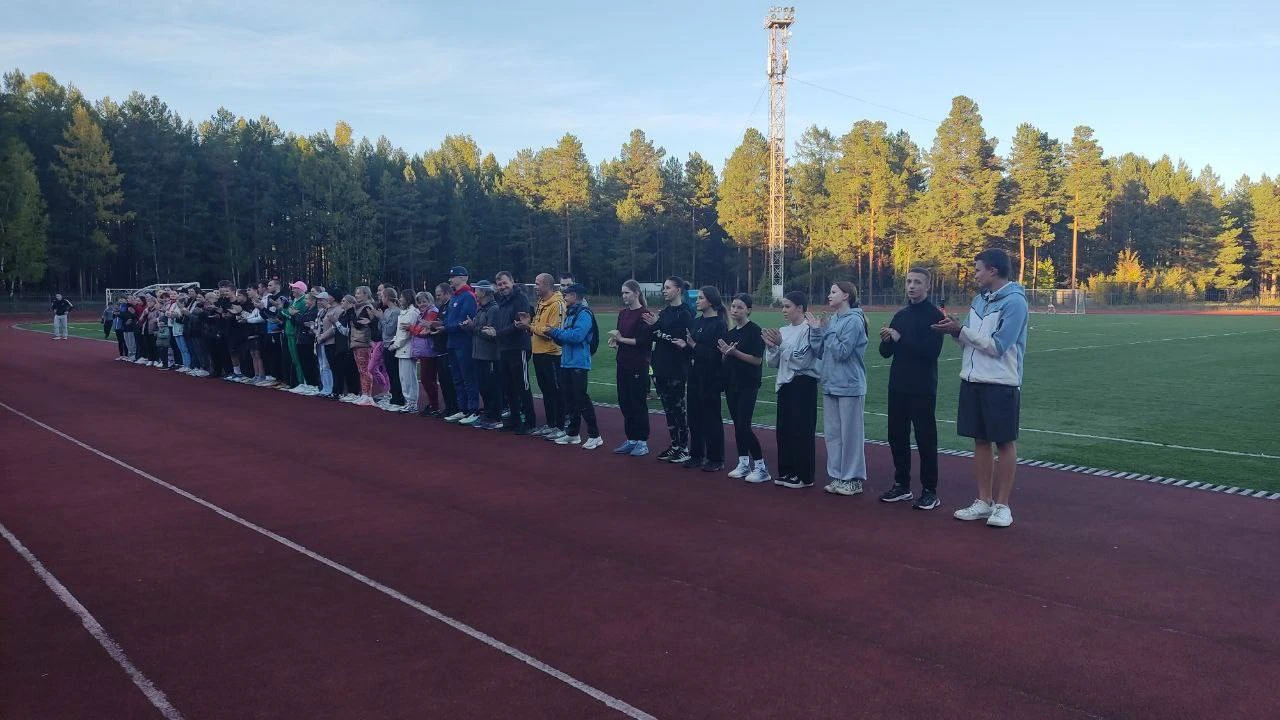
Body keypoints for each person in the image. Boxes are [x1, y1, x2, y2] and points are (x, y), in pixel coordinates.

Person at [932, 248, 1028, 528]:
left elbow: (999, 346)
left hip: (1001, 382)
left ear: (993, 271)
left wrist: (960, 331)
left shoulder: (1015, 302)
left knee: (1004, 441)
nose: (974, 275)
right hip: (973, 380)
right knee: (980, 440)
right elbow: (969, 341)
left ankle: (1003, 505)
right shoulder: (979, 300)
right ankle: (984, 501)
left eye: (977, 270)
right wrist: (954, 331)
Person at [878, 267, 945, 510]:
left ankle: (930, 490)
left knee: (925, 439)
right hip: (898, 385)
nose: (912, 286)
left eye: (917, 282)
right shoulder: (901, 315)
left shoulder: (935, 316)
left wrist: (900, 338)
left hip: (922, 387)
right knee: (897, 436)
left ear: (927, 286)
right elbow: (885, 353)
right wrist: (887, 340)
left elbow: (930, 352)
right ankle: (902, 484)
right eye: (908, 282)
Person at [809, 282, 869, 496]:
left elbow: (842, 351)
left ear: (846, 296)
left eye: (833, 292)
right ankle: (837, 475)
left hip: (849, 384)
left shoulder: (854, 320)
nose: (829, 295)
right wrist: (816, 331)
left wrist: (827, 331)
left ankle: (853, 479)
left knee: (851, 435)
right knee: (833, 435)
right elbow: (820, 352)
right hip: (831, 383)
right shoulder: (833, 319)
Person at [764, 291, 820, 488]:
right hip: (785, 385)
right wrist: (771, 347)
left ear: (800, 308)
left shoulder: (808, 330)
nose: (784, 310)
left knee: (801, 431)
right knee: (784, 430)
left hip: (803, 384)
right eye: (783, 306)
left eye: (787, 306)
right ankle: (787, 471)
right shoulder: (783, 330)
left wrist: (781, 344)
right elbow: (773, 363)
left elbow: (802, 360)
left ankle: (804, 475)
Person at [545, 283, 604, 449]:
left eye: (567, 294)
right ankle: (573, 433)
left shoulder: (584, 313)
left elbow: (577, 336)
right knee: (569, 399)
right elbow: (565, 339)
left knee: (581, 398)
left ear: (575, 296)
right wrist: (553, 334)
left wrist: (556, 332)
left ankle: (595, 435)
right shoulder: (570, 313)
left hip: (579, 363)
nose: (564, 297)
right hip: (566, 362)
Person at [644, 276, 694, 463]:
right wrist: (655, 328)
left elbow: (683, 340)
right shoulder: (664, 313)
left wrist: (659, 331)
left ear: (678, 290)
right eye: (663, 288)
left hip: (677, 367)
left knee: (679, 408)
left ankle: (684, 448)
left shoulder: (686, 313)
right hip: (661, 366)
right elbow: (655, 335)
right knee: (668, 409)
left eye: (668, 287)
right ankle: (674, 445)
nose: (664, 291)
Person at [719, 293, 769, 482]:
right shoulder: (730, 333)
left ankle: (761, 467)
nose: (735, 310)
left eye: (739, 307)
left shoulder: (755, 331)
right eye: (733, 306)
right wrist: (725, 354)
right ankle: (743, 463)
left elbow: (757, 360)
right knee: (737, 426)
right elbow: (726, 359)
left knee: (743, 425)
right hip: (732, 384)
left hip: (748, 384)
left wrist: (735, 353)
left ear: (748, 310)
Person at [679, 286, 728, 472]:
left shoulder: (719, 324)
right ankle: (696, 454)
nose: (697, 301)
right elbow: (692, 348)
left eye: (700, 298)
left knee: (711, 418)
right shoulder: (697, 321)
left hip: (711, 377)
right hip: (694, 375)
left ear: (711, 301)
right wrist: (685, 345)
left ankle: (716, 458)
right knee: (694, 417)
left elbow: (716, 355)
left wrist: (693, 345)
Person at [607, 280, 653, 456]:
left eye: (627, 292)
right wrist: (616, 342)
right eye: (622, 293)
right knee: (624, 401)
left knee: (637, 402)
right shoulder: (623, 313)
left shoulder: (645, 314)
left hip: (638, 365)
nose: (624, 296)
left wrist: (621, 340)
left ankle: (642, 441)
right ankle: (631, 438)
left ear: (636, 293)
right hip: (623, 363)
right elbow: (622, 336)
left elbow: (643, 342)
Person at [492, 271, 537, 434]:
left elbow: (519, 324)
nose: (502, 287)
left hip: (519, 347)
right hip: (504, 348)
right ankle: (515, 418)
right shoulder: (501, 300)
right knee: (508, 386)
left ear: (512, 281)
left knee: (522, 385)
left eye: (505, 283)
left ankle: (530, 421)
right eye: (499, 284)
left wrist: (497, 333)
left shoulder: (520, 298)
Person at [526, 273, 567, 440]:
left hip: (551, 354)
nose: (535, 287)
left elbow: (551, 332)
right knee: (546, 391)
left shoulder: (557, 304)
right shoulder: (541, 302)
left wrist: (529, 327)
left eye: (538, 283)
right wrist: (530, 325)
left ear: (547, 285)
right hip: (538, 353)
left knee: (555, 391)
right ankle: (550, 424)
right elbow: (539, 326)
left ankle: (560, 426)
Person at [443, 267, 480, 424]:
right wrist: (447, 325)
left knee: (468, 377)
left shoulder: (468, 296)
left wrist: (448, 326)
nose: (450, 280)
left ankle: (473, 409)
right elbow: (448, 318)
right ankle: (463, 408)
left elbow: (464, 320)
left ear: (463, 278)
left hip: (463, 342)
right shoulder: (454, 297)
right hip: (452, 342)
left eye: (453, 277)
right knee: (457, 377)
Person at [471, 280, 504, 428]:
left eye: (477, 290)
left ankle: (494, 416)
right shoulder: (481, 309)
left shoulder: (493, 309)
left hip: (489, 355)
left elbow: (491, 332)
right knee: (483, 386)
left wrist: (473, 327)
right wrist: (472, 327)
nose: (475, 293)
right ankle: (488, 413)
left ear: (483, 292)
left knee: (491, 386)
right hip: (479, 354)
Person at [388, 291, 421, 413]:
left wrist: (395, 344)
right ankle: (409, 401)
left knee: (409, 378)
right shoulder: (405, 312)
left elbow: (406, 333)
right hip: (402, 349)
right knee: (403, 377)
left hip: (407, 349)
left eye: (402, 297)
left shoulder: (412, 312)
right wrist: (394, 341)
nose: (400, 299)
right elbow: (400, 331)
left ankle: (412, 403)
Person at [376, 287, 405, 410]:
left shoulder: (396, 312)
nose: (381, 298)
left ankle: (398, 399)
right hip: (386, 344)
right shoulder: (387, 311)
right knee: (390, 373)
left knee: (395, 373)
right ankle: (394, 398)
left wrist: (381, 318)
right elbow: (381, 329)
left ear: (387, 297)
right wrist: (380, 318)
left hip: (392, 346)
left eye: (382, 296)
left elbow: (389, 330)